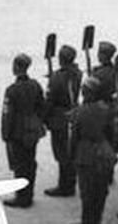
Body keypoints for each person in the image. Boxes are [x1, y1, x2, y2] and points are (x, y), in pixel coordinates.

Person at [1, 53, 45, 208]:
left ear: (16, 67)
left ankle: (22, 197)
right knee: (30, 162)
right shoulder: (36, 85)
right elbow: (42, 107)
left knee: (20, 166)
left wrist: (5, 134)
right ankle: (29, 194)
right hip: (32, 130)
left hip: (17, 132)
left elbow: (8, 114)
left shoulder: (12, 90)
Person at [72, 75, 116, 224]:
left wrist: (72, 156)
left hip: (85, 154)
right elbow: (111, 134)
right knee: (100, 192)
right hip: (103, 153)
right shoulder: (107, 110)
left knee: (87, 194)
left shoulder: (80, 111)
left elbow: (75, 137)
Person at [44, 45, 82, 198]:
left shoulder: (57, 77)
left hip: (59, 116)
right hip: (73, 111)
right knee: (69, 151)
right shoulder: (77, 73)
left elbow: (50, 99)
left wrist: (44, 117)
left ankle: (65, 185)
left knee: (61, 152)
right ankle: (69, 183)